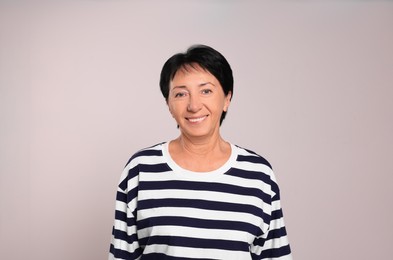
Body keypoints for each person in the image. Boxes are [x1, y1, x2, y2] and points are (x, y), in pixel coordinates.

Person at [109, 45, 292, 259]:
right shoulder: (141, 169)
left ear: (227, 98)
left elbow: (274, 255)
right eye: (180, 94)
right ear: (169, 104)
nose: (194, 105)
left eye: (206, 91)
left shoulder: (258, 174)